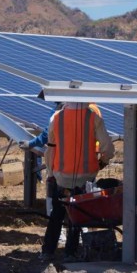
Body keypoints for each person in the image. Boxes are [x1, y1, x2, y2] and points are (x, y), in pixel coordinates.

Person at [40, 102, 114, 262]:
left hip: (61, 175)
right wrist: (102, 163)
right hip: (86, 177)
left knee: (57, 214)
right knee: (78, 216)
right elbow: (108, 148)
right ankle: (71, 252)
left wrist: (51, 173)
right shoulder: (93, 117)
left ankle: (47, 251)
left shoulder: (56, 117)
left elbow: (50, 150)